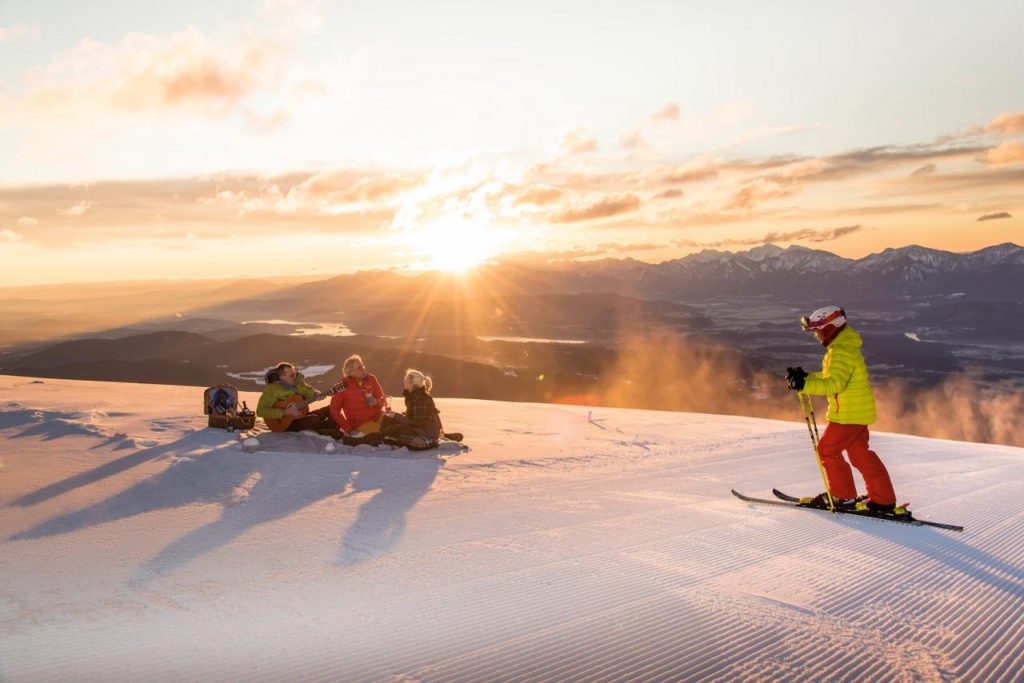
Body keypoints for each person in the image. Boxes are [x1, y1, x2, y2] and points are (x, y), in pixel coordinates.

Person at [786, 306, 905, 515]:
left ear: (831, 327)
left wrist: (804, 385)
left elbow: (834, 384)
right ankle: (883, 499)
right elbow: (831, 377)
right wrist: (807, 378)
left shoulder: (840, 351)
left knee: (827, 450)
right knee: (860, 455)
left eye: (818, 330)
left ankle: (842, 496)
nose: (816, 335)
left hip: (847, 416)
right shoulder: (844, 347)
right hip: (857, 414)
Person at [256, 362, 340, 436]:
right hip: (286, 424)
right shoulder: (273, 389)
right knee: (314, 419)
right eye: (291, 375)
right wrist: (285, 412)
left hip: (302, 415)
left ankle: (331, 431)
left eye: (295, 374)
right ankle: (328, 431)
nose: (295, 377)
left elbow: (308, 390)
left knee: (332, 408)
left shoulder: (298, 382)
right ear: (281, 377)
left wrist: (315, 394)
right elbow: (261, 410)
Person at [380, 369, 444, 450]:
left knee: (396, 428)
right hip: (422, 428)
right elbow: (415, 417)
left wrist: (396, 416)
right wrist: (397, 416)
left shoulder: (420, 399)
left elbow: (416, 422)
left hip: (426, 432)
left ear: (412, 384)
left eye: (405, 379)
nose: (404, 381)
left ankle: (385, 437)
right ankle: (385, 436)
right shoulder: (413, 396)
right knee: (388, 420)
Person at [329, 354, 386, 437]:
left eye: (363, 366)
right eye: (359, 368)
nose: (363, 369)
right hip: (361, 425)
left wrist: (376, 401)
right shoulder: (342, 386)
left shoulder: (371, 379)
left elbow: (383, 400)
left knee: (398, 423)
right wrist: (348, 429)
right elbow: (334, 410)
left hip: (379, 417)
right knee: (387, 432)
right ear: (350, 372)